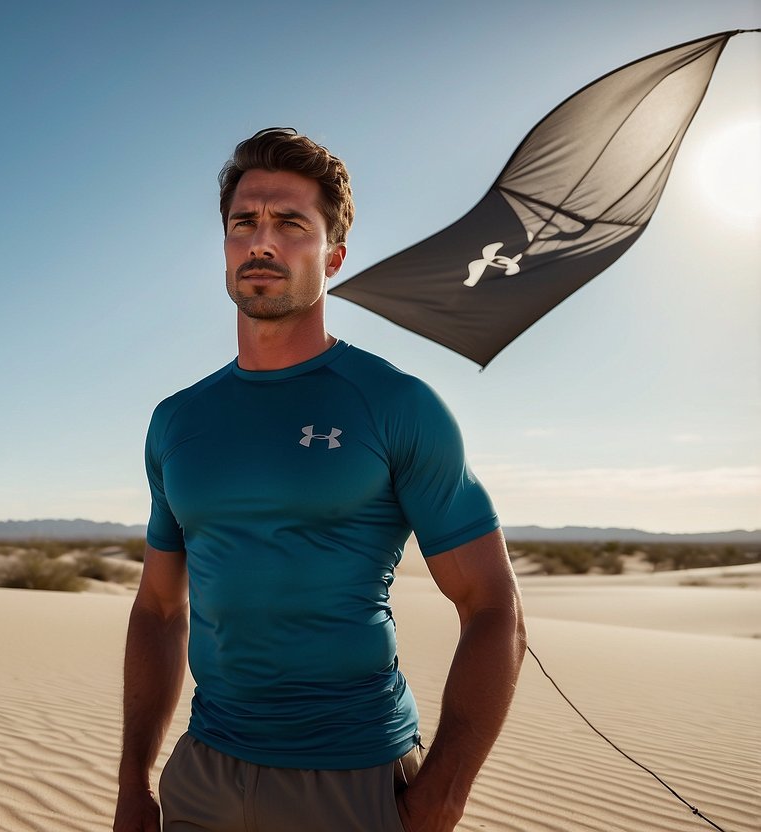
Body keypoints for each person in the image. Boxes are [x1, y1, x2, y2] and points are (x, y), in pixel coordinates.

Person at [112, 128, 527, 832]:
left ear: (331, 255)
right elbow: (157, 609)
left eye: (289, 224)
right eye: (243, 223)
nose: (260, 242)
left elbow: (493, 608)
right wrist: (132, 785)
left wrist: (441, 798)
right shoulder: (177, 420)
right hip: (202, 776)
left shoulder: (395, 404)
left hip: (351, 780)